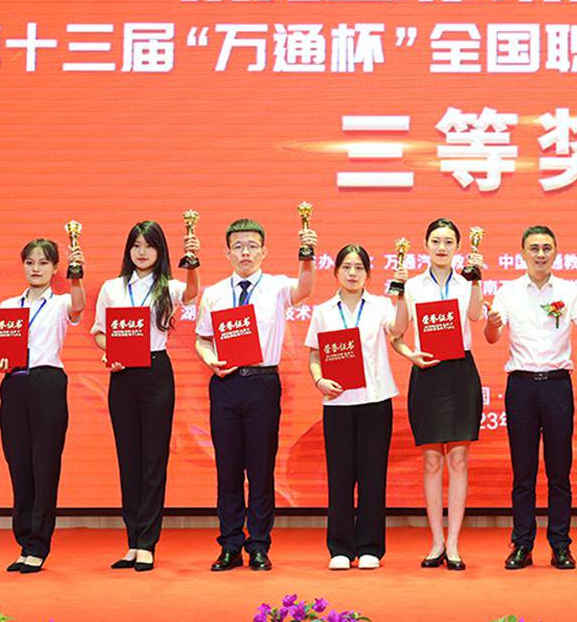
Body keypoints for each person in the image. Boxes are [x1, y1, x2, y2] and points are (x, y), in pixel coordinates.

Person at [194, 217, 317, 573]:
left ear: (264, 251)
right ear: (227, 253)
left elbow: (305, 289)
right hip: (226, 384)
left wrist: (307, 254)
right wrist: (210, 360)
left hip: (262, 383)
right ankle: (230, 544)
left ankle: (259, 545)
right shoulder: (215, 293)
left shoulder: (277, 286)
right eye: (238, 246)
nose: (245, 252)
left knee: (261, 469)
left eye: (252, 246)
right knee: (228, 469)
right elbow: (203, 339)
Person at [91, 220, 199, 572]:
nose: (141, 252)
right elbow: (99, 332)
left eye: (149, 245)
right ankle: (132, 541)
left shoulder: (168, 286)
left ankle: (148, 543)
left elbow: (192, 293)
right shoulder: (112, 288)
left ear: (160, 250)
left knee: (153, 459)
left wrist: (193, 261)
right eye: (136, 245)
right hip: (122, 375)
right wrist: (111, 352)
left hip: (156, 372)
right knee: (129, 460)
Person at [485, 225, 577, 570]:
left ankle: (560, 545)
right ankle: (522, 544)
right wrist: (491, 323)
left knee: (560, 471)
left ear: (556, 252)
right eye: (534, 248)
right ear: (523, 253)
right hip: (521, 387)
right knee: (523, 472)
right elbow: (491, 336)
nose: (540, 254)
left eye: (546, 248)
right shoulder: (507, 292)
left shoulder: (571, 291)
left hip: (557, 386)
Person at [391, 218, 485, 571]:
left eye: (448, 242)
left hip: (460, 373)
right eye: (435, 241)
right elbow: (397, 332)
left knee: (459, 460)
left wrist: (477, 281)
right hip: (427, 372)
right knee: (432, 461)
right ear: (425, 246)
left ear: (458, 247)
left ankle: (455, 543)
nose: (442, 247)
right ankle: (436, 542)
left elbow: (475, 316)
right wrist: (400, 296)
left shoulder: (465, 283)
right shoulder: (413, 285)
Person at [307, 244, 402, 571]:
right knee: (340, 476)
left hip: (375, 401)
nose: (352, 273)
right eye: (346, 267)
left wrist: (402, 295)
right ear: (336, 272)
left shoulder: (381, 306)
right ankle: (341, 548)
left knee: (373, 476)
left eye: (359, 268)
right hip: (338, 403)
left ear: (368, 274)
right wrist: (319, 380)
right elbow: (314, 356)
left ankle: (371, 546)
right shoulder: (323, 311)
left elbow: (398, 329)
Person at [0, 237, 85, 574]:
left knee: (44, 465)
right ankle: (24, 541)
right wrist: (1, 361)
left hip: (47, 383)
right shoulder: (8, 306)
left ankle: (38, 544)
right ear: (23, 265)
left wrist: (77, 273)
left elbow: (79, 306)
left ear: (55, 268)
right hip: (14, 384)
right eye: (30, 262)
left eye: (43, 263)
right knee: (18, 464)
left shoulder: (61, 302)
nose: (36, 269)